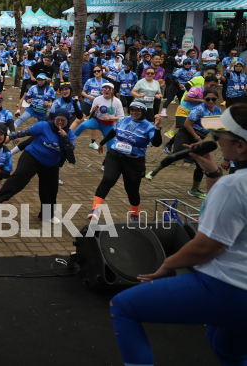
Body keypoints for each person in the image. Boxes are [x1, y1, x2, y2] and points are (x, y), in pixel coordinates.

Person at [110, 104, 247, 366]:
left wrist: (166, 265)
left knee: (124, 307)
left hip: (229, 287)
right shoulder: (233, 182)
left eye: (220, 136)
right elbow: (233, 211)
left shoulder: (234, 185)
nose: (214, 140)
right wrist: (213, 172)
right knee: (228, 350)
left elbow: (206, 246)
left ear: (240, 146)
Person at [89, 102, 163, 221]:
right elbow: (114, 131)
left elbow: (156, 143)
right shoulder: (123, 120)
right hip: (115, 155)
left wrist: (158, 128)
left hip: (134, 161)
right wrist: (102, 143)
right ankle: (95, 210)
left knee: (132, 190)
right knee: (108, 179)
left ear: (143, 112)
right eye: (132, 109)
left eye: (137, 110)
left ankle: (134, 215)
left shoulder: (149, 126)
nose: (134, 112)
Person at [0, 111, 76, 223]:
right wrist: (10, 137)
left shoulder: (69, 134)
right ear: (54, 118)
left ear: (68, 121)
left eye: (63, 120)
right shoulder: (44, 125)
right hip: (32, 156)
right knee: (20, 177)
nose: (60, 122)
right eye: (57, 119)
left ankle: (47, 215)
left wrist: (65, 137)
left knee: (50, 189)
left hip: (50, 164)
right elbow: (26, 132)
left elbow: (70, 149)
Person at [173, 88, 222, 199]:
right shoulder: (199, 109)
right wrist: (198, 138)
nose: (210, 101)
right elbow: (187, 124)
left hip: (199, 137)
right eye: (207, 99)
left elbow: (215, 127)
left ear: (217, 99)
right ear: (203, 99)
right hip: (187, 133)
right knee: (177, 154)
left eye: (213, 99)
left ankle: (194, 190)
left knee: (200, 166)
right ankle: (153, 172)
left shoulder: (218, 111)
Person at [72, 83, 124, 149]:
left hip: (108, 125)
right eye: (104, 88)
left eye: (109, 88)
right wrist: (93, 111)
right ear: (102, 91)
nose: (106, 90)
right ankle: (71, 140)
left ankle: (108, 158)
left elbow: (121, 117)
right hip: (96, 121)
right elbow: (92, 115)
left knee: (111, 147)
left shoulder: (117, 101)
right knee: (82, 125)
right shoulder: (97, 99)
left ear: (113, 91)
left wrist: (110, 118)